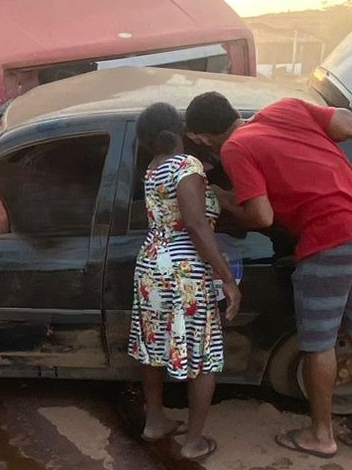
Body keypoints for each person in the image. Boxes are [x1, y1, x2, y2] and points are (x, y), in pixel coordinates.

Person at [184, 91, 352, 460]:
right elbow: (349, 123)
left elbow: (261, 217)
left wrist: (226, 204)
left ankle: (321, 436)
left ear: (200, 138)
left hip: (329, 238)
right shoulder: (285, 108)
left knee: (319, 342)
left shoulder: (235, 148)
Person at [128, 102, 241, 462]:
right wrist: (227, 279)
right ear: (180, 130)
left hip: (151, 263)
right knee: (204, 351)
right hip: (184, 270)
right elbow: (194, 225)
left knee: (153, 341)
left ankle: (155, 421)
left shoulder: (153, 167)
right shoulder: (187, 166)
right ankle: (193, 442)